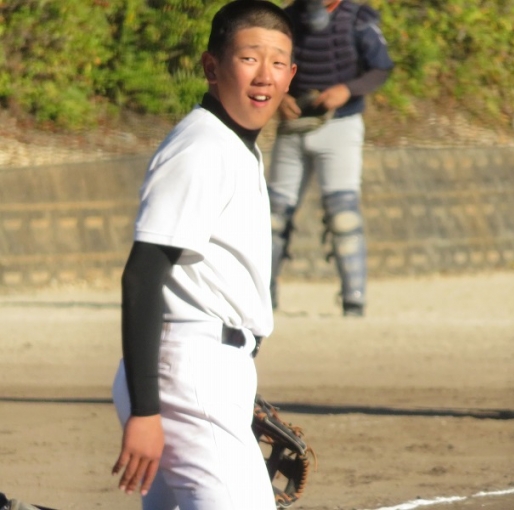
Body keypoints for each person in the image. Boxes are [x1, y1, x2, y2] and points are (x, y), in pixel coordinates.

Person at [110, 2, 297, 509]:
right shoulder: (202, 148)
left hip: (202, 369)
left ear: (292, 75)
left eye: (278, 62)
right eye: (249, 58)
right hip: (188, 374)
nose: (265, 75)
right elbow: (142, 276)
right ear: (212, 67)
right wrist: (147, 411)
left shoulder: (234, 146)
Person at [267, 0, 393, 317]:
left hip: (340, 125)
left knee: (343, 216)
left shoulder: (357, 18)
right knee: (272, 217)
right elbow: (267, 67)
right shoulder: (285, 19)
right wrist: (279, 96)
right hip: (294, 126)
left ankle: (353, 300)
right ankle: (263, 296)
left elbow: (381, 67)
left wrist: (348, 89)